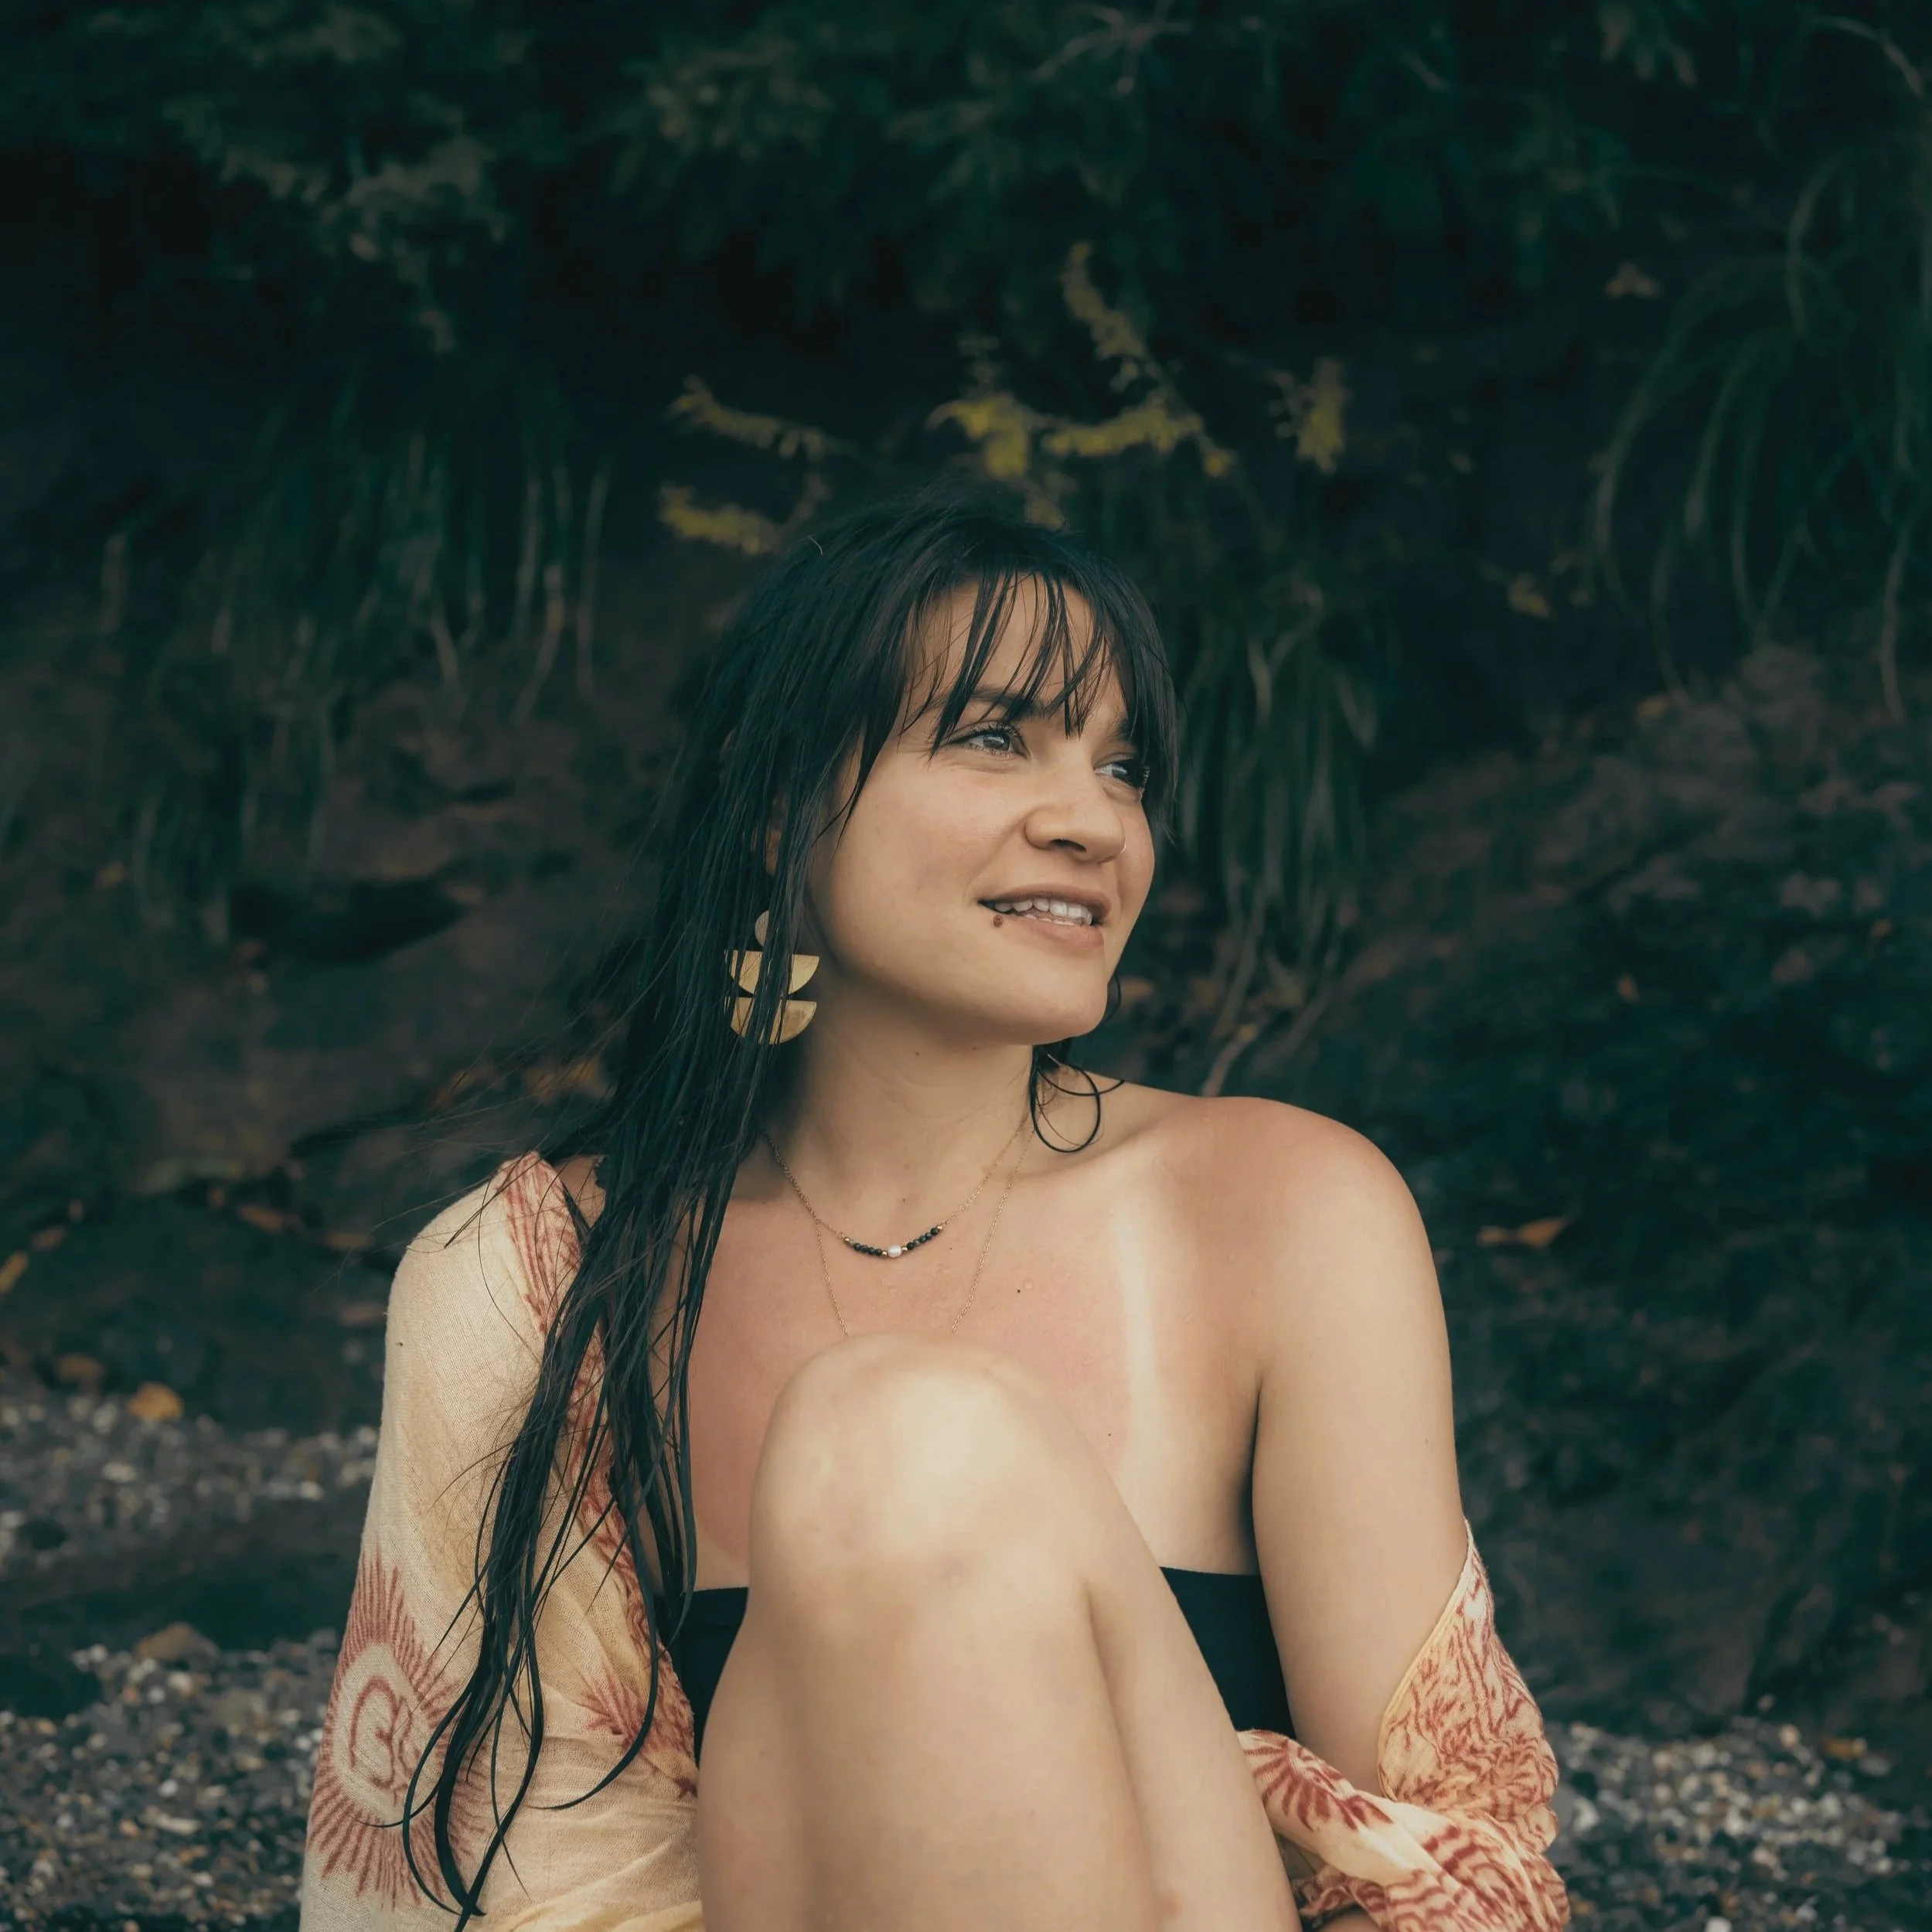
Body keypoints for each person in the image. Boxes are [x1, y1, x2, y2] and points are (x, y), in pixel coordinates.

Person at [299, 492, 1570, 1932]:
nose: (1091, 819)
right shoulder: (532, 1278)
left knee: (903, 1439)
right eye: (992, 737)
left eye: (1125, 766)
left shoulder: (1280, 1213)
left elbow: (1433, 1857)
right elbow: (510, 1881)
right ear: (777, 804)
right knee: (883, 1437)